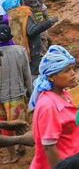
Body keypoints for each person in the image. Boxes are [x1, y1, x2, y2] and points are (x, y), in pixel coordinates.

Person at [29, 45, 79, 168]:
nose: (73, 73)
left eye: (72, 69)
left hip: (72, 160)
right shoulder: (49, 106)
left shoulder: (64, 95)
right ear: (52, 77)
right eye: (67, 70)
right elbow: (49, 148)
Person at [0, 23, 31, 164]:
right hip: (17, 95)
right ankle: (21, 146)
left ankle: (12, 155)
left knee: (4, 130)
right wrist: (30, 92)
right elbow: (27, 75)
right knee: (20, 125)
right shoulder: (20, 51)